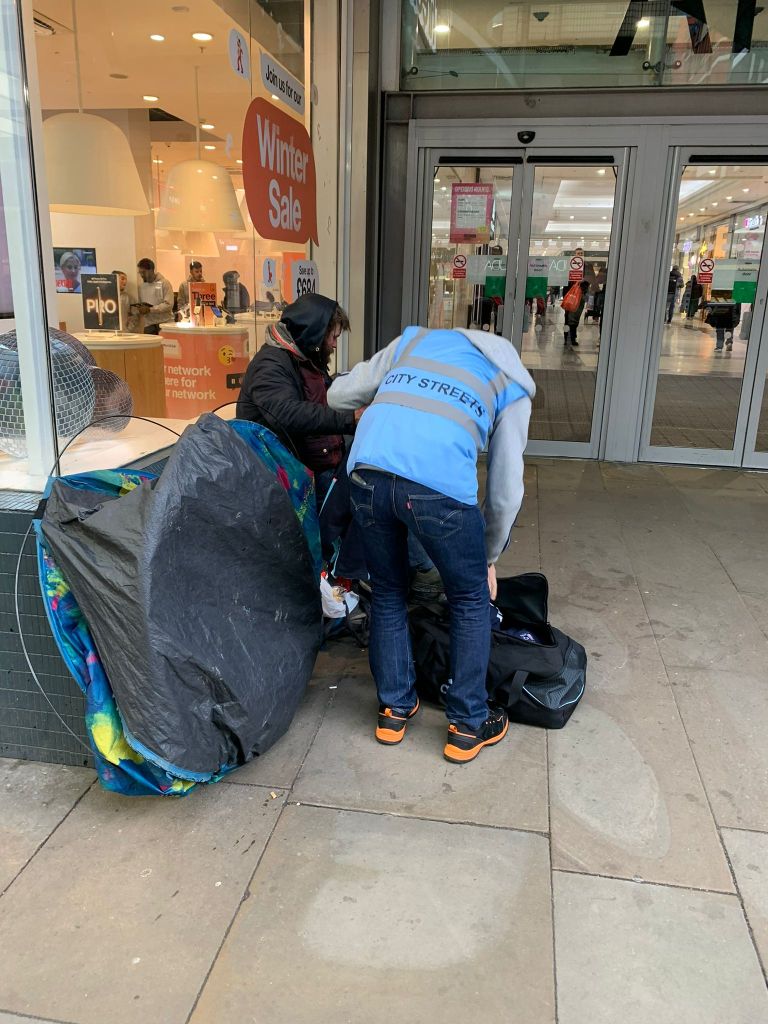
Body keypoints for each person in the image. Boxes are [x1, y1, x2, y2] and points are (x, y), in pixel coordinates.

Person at [327, 325, 534, 764]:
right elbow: (505, 492)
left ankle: (393, 711)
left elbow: (337, 395)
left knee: (387, 590)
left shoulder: (414, 342)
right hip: (437, 489)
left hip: (367, 473)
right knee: (469, 598)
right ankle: (468, 724)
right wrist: (489, 557)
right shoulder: (511, 383)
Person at [236, 293, 359, 508]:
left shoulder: (304, 355)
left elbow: (321, 395)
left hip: (312, 468)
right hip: (284, 478)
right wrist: (350, 419)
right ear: (314, 334)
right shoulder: (270, 364)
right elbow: (287, 413)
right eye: (333, 337)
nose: (334, 345)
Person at [136, 258, 174, 335]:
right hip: (149, 325)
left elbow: (169, 305)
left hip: (164, 323)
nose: (142, 275)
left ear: (151, 270)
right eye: (140, 273)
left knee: (166, 346)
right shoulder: (141, 287)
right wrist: (141, 309)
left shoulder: (165, 283)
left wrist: (150, 309)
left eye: (144, 272)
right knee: (150, 347)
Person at [563, 279, 590, 347]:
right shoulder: (575, 287)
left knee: (572, 323)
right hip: (571, 308)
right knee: (571, 323)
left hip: (574, 308)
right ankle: (570, 339)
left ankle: (570, 338)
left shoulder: (579, 287)